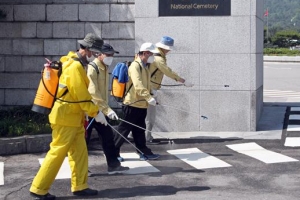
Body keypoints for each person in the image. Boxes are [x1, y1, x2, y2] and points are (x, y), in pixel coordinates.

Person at [29, 33, 108, 200]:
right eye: (94, 52)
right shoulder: (75, 67)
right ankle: (38, 188)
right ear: (87, 50)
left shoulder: (76, 64)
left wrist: (91, 113)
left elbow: (78, 96)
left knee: (80, 153)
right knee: (57, 153)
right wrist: (96, 113)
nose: (95, 56)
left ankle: (80, 186)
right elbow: (80, 95)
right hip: (65, 118)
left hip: (74, 118)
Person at [86, 43, 129, 174]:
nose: (110, 57)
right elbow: (93, 92)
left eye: (111, 55)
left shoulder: (104, 67)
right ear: (99, 54)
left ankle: (113, 165)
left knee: (107, 137)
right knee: (83, 141)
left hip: (101, 110)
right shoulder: (93, 68)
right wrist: (107, 110)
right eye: (108, 55)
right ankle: (80, 169)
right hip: (90, 110)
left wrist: (105, 109)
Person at [114, 42, 160, 161]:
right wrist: (149, 98)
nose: (153, 57)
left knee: (140, 130)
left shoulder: (145, 66)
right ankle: (113, 152)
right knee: (124, 129)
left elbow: (146, 83)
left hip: (141, 104)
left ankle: (143, 151)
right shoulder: (135, 66)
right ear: (144, 53)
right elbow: (138, 85)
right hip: (132, 104)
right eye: (151, 54)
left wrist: (151, 92)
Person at [145, 36, 193, 144]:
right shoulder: (159, 58)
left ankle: (135, 134)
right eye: (169, 49)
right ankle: (146, 138)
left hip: (148, 87)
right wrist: (183, 81)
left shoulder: (155, 54)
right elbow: (167, 71)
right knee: (150, 116)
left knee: (142, 115)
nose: (169, 51)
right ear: (164, 48)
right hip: (150, 89)